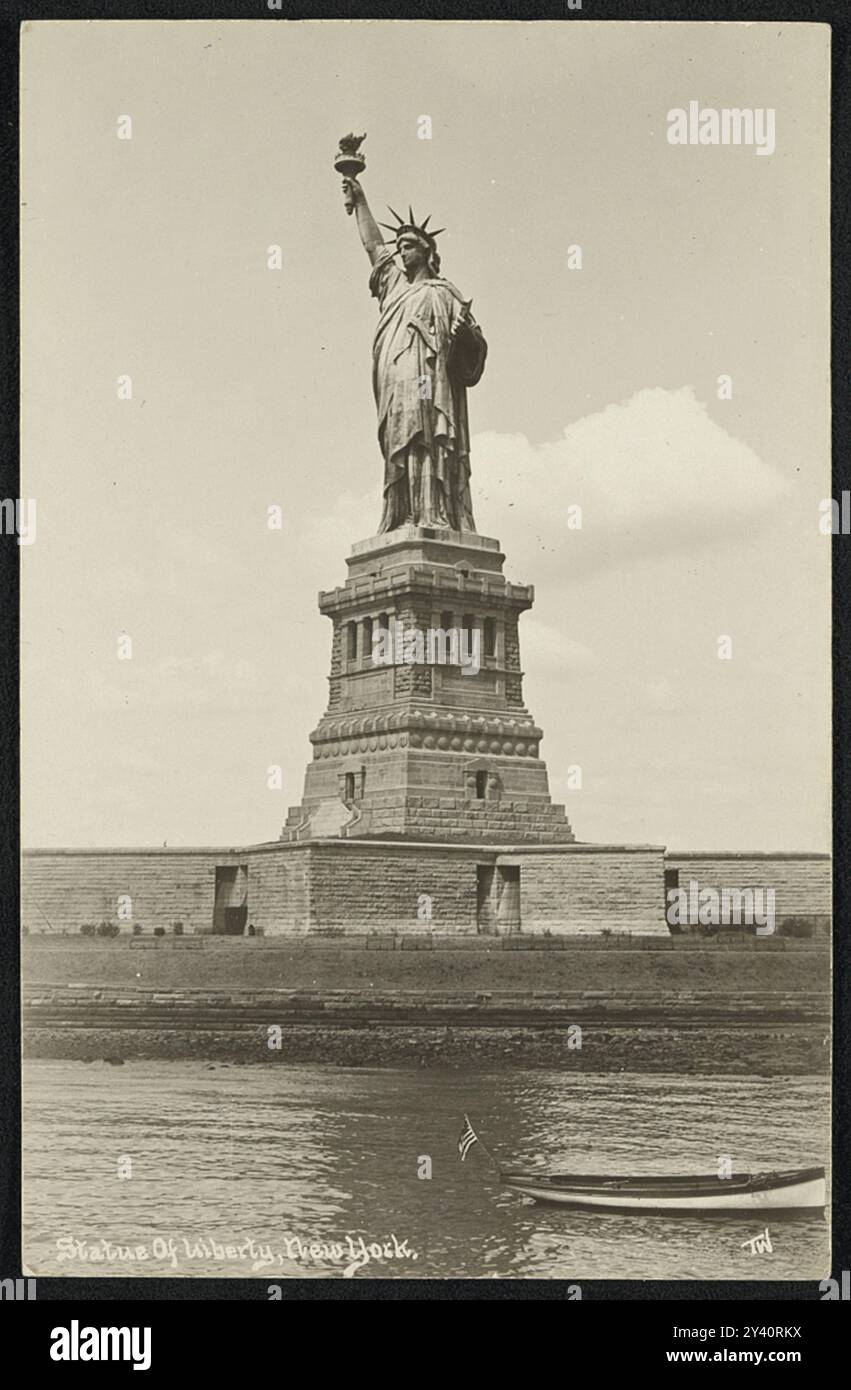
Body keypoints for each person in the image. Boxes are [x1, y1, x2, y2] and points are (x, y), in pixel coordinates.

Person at [342, 177, 487, 533]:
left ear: (425, 251)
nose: (402, 252)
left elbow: (474, 348)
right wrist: (360, 200)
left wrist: (463, 335)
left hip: (430, 382)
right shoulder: (393, 286)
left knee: (429, 437)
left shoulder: (444, 292)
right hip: (396, 380)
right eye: (400, 246)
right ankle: (403, 514)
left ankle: (434, 513)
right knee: (401, 441)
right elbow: (373, 246)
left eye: (408, 246)